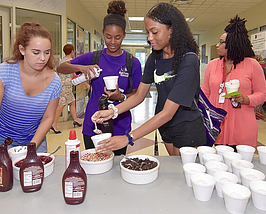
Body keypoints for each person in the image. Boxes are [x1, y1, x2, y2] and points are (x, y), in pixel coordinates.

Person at [91, 2, 206, 156]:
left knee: (183, 173)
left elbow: (168, 112)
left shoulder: (188, 60)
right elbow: (139, 95)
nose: (149, 38)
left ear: (171, 30)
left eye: (154, 32)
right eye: (148, 32)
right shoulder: (155, 57)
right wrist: (113, 111)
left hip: (186, 127)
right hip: (165, 126)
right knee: (174, 168)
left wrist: (128, 138)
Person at [57, 0, 142, 155]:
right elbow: (61, 67)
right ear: (103, 33)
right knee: (94, 165)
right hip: (93, 125)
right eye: (108, 37)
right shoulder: (94, 57)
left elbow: (137, 95)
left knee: (115, 170)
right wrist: (82, 68)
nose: (113, 42)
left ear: (124, 35)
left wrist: (120, 96)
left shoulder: (132, 63)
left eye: (117, 37)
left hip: (119, 127)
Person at [201, 15, 266, 149]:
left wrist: (245, 99)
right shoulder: (212, 65)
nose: (217, 45)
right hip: (217, 125)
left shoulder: (252, 64)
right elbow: (205, 94)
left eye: (221, 42)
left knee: (241, 166)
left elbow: (262, 94)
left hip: (242, 126)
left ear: (233, 43)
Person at [0, 22, 62, 153]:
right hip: (2, 139)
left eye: (47, 52)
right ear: (22, 50)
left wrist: (32, 147)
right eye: (36, 52)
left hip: (35, 140)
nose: (42, 58)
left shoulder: (54, 81)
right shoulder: (5, 72)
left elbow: (48, 117)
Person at [51, 44, 84, 134]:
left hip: (62, 85)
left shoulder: (62, 61)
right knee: (61, 105)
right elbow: (75, 74)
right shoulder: (71, 62)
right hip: (66, 87)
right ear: (72, 51)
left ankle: (76, 120)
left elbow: (57, 72)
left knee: (72, 102)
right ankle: (53, 124)